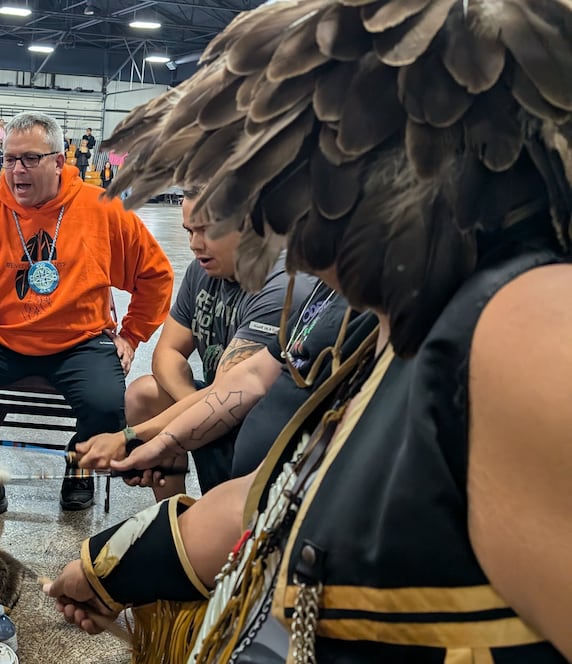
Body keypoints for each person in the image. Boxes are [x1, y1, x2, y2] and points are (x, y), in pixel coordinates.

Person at [48, 1, 572, 661]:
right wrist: (112, 564)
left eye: (285, 188)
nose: (282, 237)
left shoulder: (520, 325)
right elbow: (292, 486)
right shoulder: (387, 320)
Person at [0, 111, 174, 511]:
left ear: (59, 160)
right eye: (9, 159)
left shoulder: (102, 210)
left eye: (30, 159)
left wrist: (131, 334)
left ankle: (79, 466)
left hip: (78, 340)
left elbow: (156, 276)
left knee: (109, 404)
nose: (17, 169)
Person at [101, 187, 313, 496]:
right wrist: (193, 405)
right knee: (145, 395)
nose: (194, 245)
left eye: (207, 231)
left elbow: (234, 392)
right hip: (221, 401)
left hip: (262, 427)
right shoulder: (202, 272)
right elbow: (166, 353)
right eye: (189, 231)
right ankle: (172, 515)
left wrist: (131, 438)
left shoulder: (283, 283)